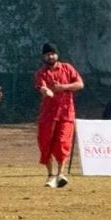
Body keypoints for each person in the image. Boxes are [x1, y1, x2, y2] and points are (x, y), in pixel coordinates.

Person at [34, 42, 84, 188]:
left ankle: (61, 174)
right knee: (45, 144)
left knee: (63, 143)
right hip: (48, 115)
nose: (51, 56)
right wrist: (47, 91)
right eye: (48, 54)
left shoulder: (67, 68)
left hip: (66, 114)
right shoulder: (41, 73)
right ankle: (50, 175)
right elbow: (42, 87)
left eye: (53, 53)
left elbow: (80, 84)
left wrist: (62, 87)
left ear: (57, 54)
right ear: (44, 56)